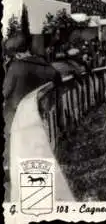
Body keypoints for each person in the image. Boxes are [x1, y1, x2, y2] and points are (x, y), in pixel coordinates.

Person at [3, 35, 62, 185]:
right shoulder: (44, 65)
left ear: (16, 53)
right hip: (40, 113)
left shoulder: (16, 67)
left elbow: (5, 91)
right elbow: (57, 78)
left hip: (17, 115)